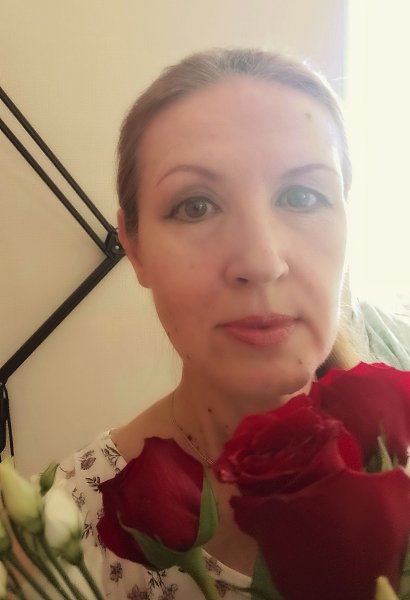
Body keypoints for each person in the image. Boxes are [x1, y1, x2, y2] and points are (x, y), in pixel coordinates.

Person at [56, 47, 360, 598]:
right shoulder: (67, 532)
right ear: (134, 248)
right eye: (195, 206)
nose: (262, 261)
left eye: (301, 195)